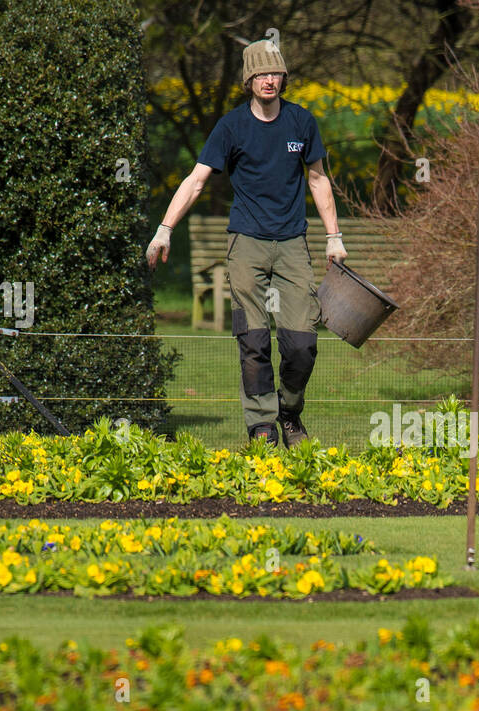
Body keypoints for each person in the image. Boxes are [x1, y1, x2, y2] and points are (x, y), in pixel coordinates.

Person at [146, 39, 347, 447]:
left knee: (302, 343)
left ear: (283, 78)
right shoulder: (231, 127)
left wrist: (334, 238)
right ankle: (261, 425)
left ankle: (288, 412)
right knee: (253, 338)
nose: (269, 80)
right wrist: (164, 228)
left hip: (292, 242)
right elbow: (197, 180)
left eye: (275, 73)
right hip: (247, 241)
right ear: (248, 80)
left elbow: (318, 180)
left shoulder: (302, 123)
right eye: (260, 74)